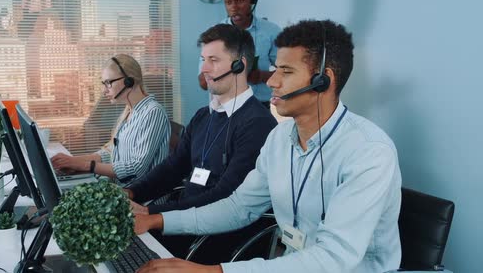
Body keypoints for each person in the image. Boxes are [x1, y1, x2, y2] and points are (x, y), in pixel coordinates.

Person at [135, 20, 402, 273]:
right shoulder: (280, 138)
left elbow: (333, 258)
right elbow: (239, 207)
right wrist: (159, 220)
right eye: (275, 69)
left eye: (286, 72)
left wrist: (215, 271)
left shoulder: (368, 152)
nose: (272, 81)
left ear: (323, 80)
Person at [127, 23, 277, 258]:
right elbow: (173, 168)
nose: (204, 69)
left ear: (240, 66)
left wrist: (151, 213)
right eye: (203, 59)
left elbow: (225, 196)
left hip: (217, 240)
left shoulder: (257, 124)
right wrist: (131, 193)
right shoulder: (203, 116)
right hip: (181, 225)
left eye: (213, 60)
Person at [51, 54, 170, 187]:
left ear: (129, 81)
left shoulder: (152, 113)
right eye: (104, 84)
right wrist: (72, 161)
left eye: (108, 83)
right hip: (119, 189)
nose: (104, 91)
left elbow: (135, 169)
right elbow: (111, 152)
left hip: (141, 199)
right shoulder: (129, 112)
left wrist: (86, 165)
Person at [198, 0, 281, 108]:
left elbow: (287, 73)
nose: (233, 7)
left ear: (252, 0)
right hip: (222, 107)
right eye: (228, 2)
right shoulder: (214, 34)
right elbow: (202, 83)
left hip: (259, 107)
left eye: (240, 0)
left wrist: (261, 76)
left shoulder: (271, 31)